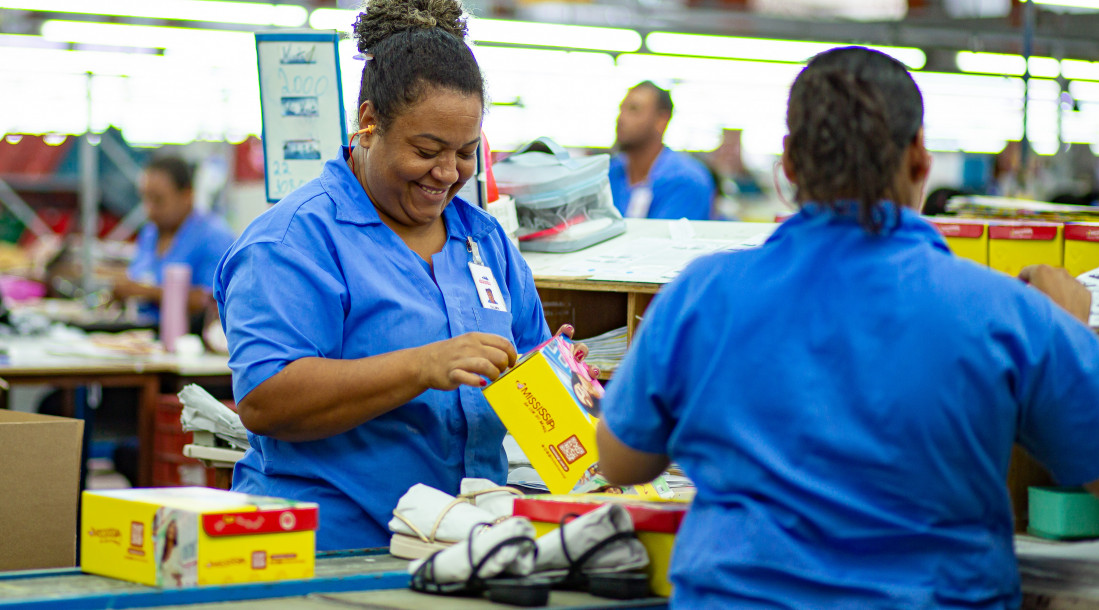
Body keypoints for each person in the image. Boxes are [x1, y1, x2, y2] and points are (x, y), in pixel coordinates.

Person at [595, 46, 1099, 608]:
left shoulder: (702, 293)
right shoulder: (1007, 313)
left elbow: (621, 461)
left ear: (787, 163)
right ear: (919, 158)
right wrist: (1073, 336)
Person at [213, 0, 594, 551]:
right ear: (369, 123)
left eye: (466, 153)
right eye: (427, 151)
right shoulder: (295, 240)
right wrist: (423, 366)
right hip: (330, 544)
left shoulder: (484, 241)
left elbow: (527, 373)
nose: (448, 173)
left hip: (462, 540)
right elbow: (266, 400)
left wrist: (566, 388)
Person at [111, 156, 236, 325]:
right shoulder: (150, 233)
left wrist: (147, 292)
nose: (150, 209)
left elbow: (213, 301)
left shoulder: (214, 237)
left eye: (158, 200)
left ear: (187, 196)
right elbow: (139, 275)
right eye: (145, 198)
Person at [608, 81, 714, 220]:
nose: (621, 118)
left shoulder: (686, 180)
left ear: (662, 120)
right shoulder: (608, 174)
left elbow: (664, 239)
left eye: (634, 109)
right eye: (621, 109)